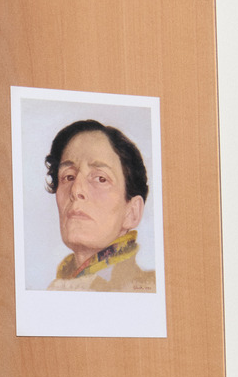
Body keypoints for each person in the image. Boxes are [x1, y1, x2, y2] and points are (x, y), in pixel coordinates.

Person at [45, 119, 156, 292]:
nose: (76, 190)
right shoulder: (55, 290)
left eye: (100, 179)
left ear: (132, 212)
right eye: (68, 177)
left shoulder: (147, 290)